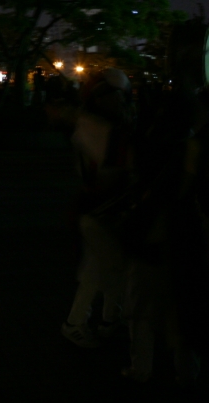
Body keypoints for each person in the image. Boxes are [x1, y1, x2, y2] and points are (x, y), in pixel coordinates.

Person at [63, 69, 134, 350]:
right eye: (117, 97)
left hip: (96, 207)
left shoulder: (89, 122)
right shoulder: (105, 129)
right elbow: (112, 172)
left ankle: (105, 319)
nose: (122, 102)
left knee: (102, 267)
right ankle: (78, 322)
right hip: (103, 209)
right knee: (107, 268)